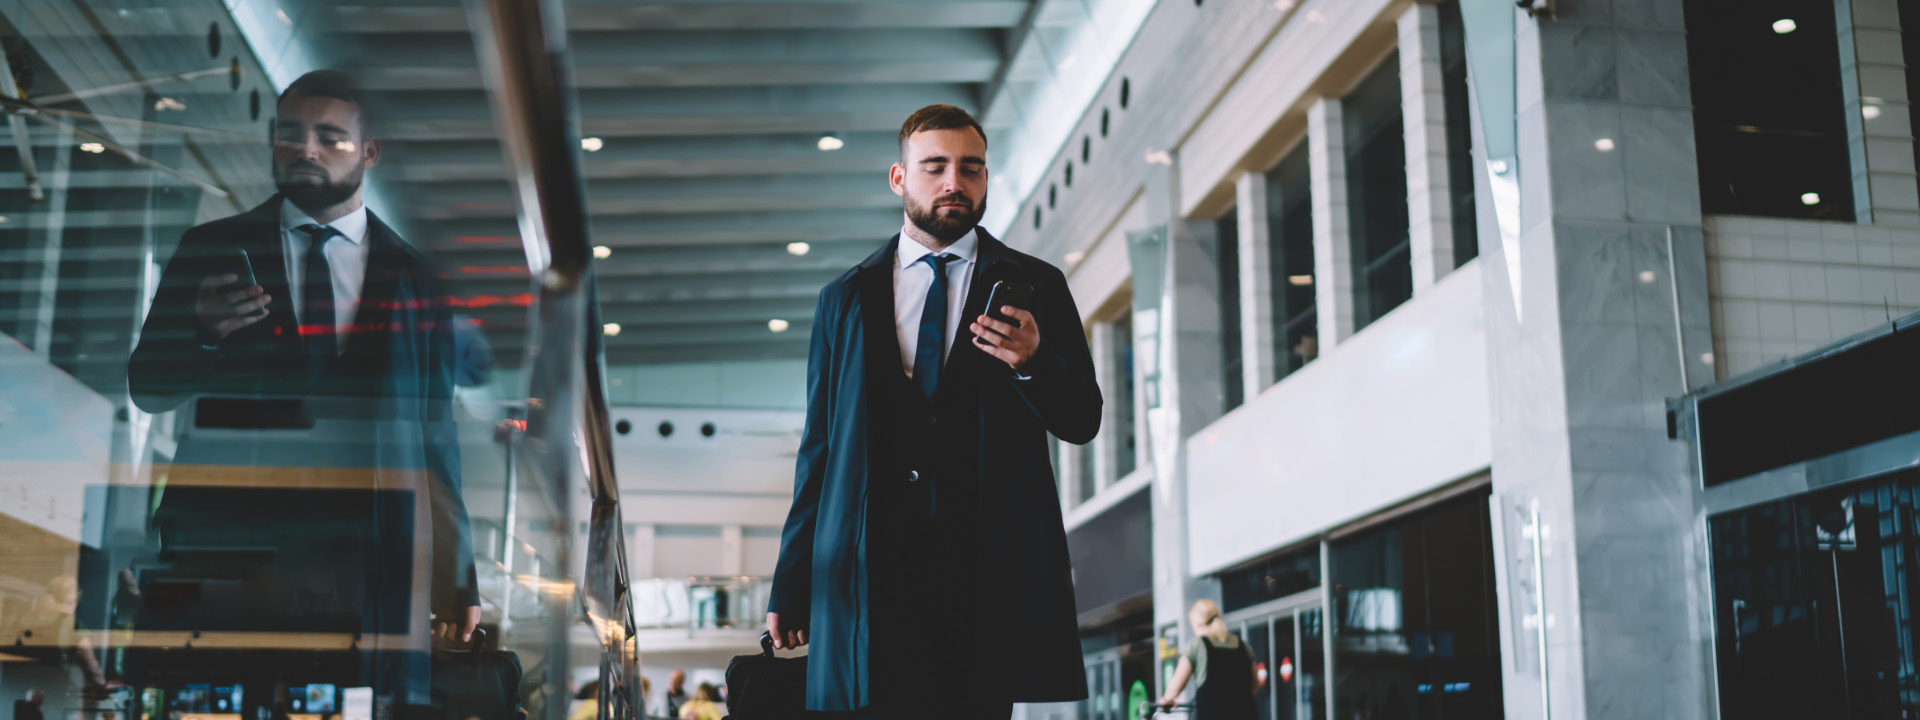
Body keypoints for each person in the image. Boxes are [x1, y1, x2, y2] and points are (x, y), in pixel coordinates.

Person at [763, 104, 1102, 718]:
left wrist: (1033, 360)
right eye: (935, 166)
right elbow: (819, 450)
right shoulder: (843, 298)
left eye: (971, 168)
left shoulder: (1038, 284)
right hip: (868, 572)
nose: (954, 182)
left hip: (984, 575)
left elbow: (1082, 420)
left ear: (986, 179)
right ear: (900, 178)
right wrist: (792, 579)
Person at [126, 69, 479, 643]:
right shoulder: (210, 247)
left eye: (329, 137)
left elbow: (435, 435)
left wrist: (457, 577)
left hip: (363, 553)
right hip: (224, 542)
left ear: (369, 152)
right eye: (289, 133)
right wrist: (203, 334)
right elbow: (148, 388)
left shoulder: (418, 279)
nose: (304, 148)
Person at [1156, 600, 1258, 719]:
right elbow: (1255, 684)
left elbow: (1174, 689)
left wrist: (1166, 700)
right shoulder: (1243, 646)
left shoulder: (1197, 645)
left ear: (1196, 624)